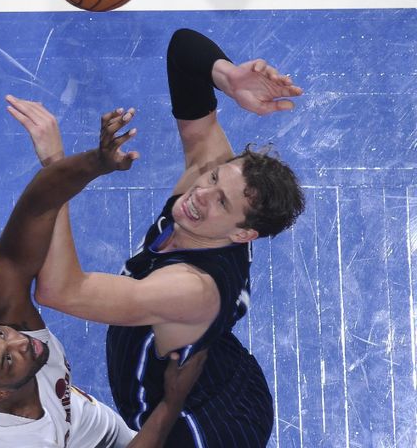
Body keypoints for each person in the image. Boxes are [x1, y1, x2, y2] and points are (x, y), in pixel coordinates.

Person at [32, 28, 306, 447]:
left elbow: (58, 290)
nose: (200, 195)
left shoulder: (187, 289)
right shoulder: (211, 196)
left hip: (200, 430)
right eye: (213, 177)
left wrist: (56, 167)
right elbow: (183, 48)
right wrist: (228, 76)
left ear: (242, 233)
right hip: (225, 376)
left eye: (220, 201)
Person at [0, 97, 207, 448]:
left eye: (1, 335)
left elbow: (34, 213)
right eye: (7, 359)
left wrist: (92, 162)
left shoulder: (1, 320)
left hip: (78, 429)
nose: (20, 340)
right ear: (0, 393)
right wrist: (171, 401)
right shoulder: (18, 441)